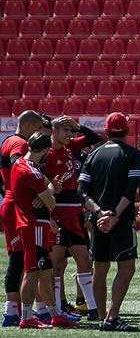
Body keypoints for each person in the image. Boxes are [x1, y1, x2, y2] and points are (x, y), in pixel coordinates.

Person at [77, 112, 140, 332]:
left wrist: (99, 213)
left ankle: (100, 317)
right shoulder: (133, 154)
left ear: (105, 132)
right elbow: (131, 187)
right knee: (126, 267)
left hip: (97, 221)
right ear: (126, 132)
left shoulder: (93, 156)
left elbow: (81, 190)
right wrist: (114, 214)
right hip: (121, 220)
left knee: (100, 267)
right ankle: (112, 316)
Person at [12, 132, 76, 328]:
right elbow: (52, 201)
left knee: (46, 271)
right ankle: (27, 317)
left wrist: (47, 190)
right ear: (47, 150)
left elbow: (48, 188)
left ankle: (54, 313)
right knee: (32, 271)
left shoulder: (23, 164)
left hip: (36, 223)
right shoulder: (32, 172)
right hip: (34, 225)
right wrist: (48, 192)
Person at [45, 116, 102, 320]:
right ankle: (59, 307)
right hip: (57, 212)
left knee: (85, 261)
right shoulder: (47, 154)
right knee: (57, 264)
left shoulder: (71, 148)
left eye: (72, 132)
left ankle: (92, 308)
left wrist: (79, 127)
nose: (70, 135)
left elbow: (96, 138)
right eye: (66, 131)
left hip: (75, 213)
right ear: (54, 131)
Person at [1, 110, 48, 327]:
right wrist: (27, 193)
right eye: (38, 129)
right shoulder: (19, 144)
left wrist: (8, 192)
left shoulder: (7, 141)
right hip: (18, 207)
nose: (37, 135)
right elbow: (19, 167)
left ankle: (16, 311)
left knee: (19, 257)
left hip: (10, 203)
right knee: (21, 260)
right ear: (30, 126)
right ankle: (13, 313)